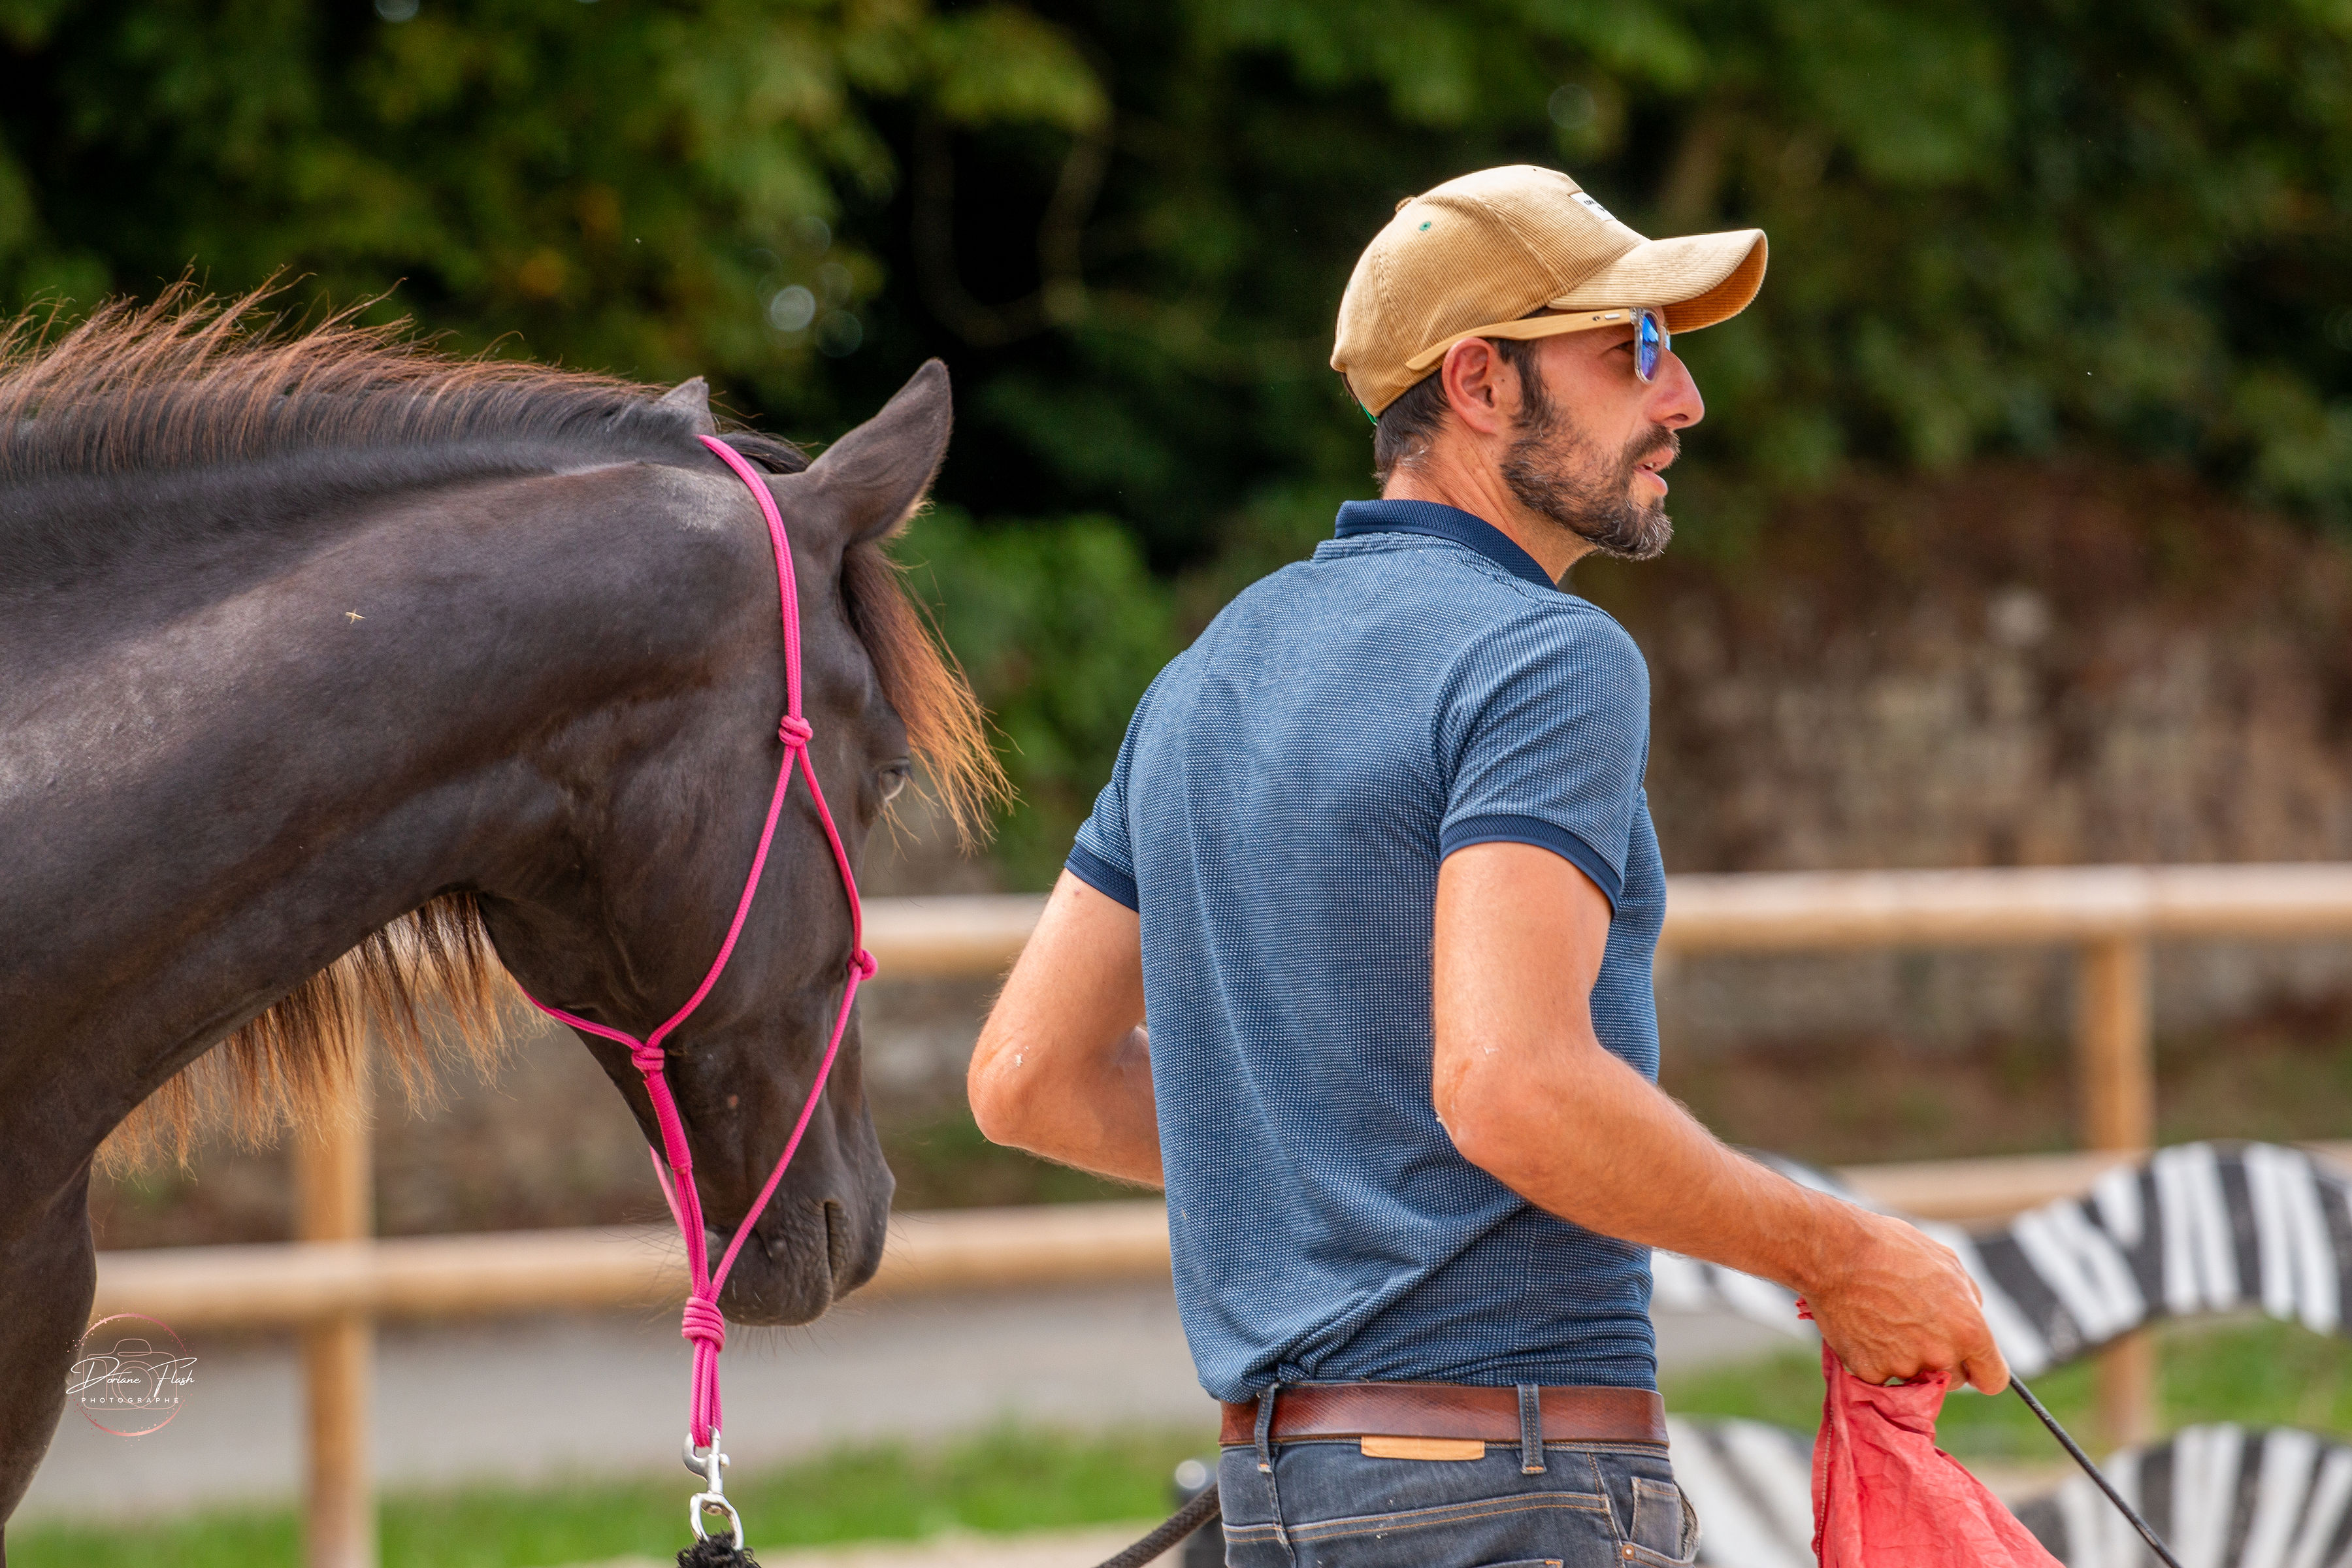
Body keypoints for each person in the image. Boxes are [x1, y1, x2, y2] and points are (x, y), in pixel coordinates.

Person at [966, 164, 2006, 1568]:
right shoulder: (1546, 657)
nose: (1684, 399)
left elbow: (1029, 1079)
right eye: (1633, 348)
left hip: (1279, 1506)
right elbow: (1514, 1088)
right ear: (1478, 382)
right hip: (1512, 1495)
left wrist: (1338, 1162)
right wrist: (1848, 1259)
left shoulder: (1207, 674)